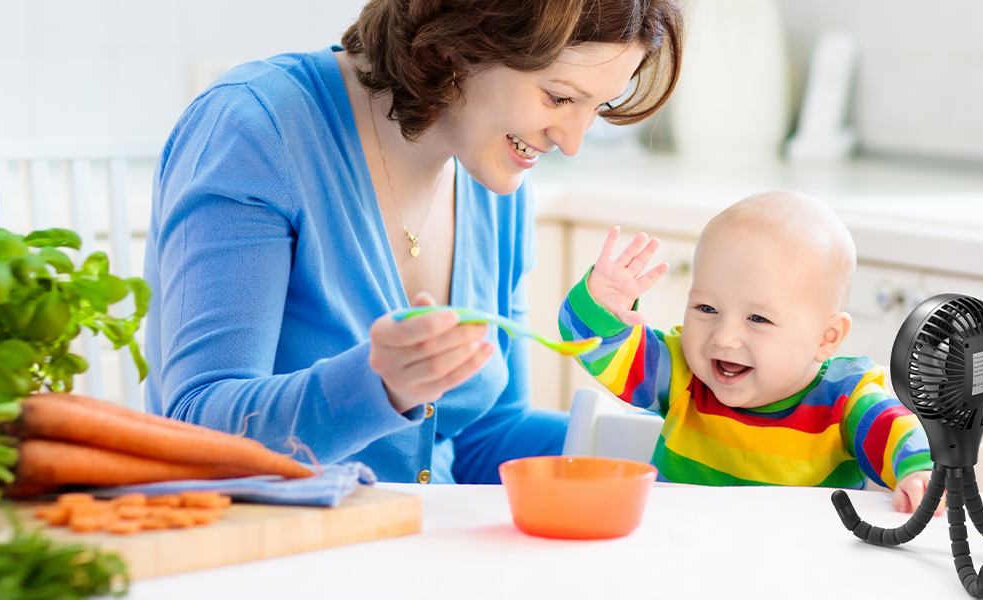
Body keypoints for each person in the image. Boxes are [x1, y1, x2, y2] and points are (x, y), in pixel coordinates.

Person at [142, 0, 684, 484]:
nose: (571, 142)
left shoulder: (497, 176)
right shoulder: (258, 130)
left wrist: (688, 447)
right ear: (459, 42)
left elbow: (484, 439)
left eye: (599, 108)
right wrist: (380, 385)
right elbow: (195, 427)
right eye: (559, 97)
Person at [558, 192, 943, 514]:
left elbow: (897, 430)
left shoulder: (845, 401)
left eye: (758, 318)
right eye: (706, 309)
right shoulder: (682, 375)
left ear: (827, 337)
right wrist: (601, 307)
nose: (724, 338)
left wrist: (918, 471)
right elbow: (597, 349)